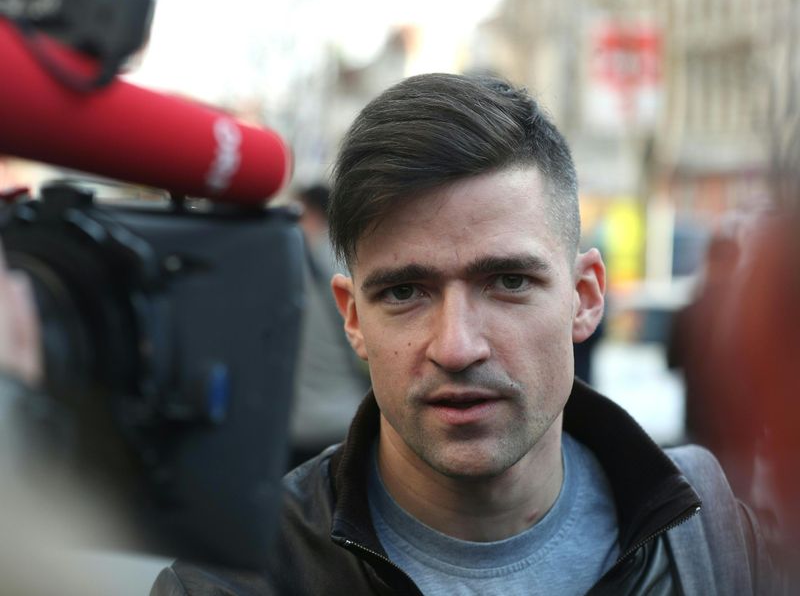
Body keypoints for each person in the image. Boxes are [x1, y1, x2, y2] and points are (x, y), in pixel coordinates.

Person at [152, 73, 774, 595]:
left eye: (508, 282)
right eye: (404, 292)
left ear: (584, 298)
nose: (456, 347)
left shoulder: (721, 545)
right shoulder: (232, 582)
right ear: (353, 318)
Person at [289, 183, 371, 469]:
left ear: (312, 214)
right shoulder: (351, 261)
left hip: (297, 424)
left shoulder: (298, 267)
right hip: (349, 417)